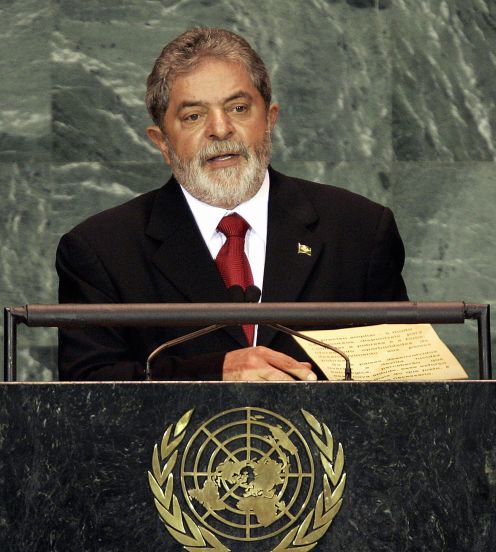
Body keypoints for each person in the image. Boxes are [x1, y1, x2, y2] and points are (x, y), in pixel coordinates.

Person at [56, 27, 408, 382]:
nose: (220, 129)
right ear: (162, 142)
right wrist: (217, 371)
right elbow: (86, 391)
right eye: (193, 116)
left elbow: (406, 377)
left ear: (269, 119)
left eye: (238, 108)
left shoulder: (358, 230)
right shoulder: (101, 250)